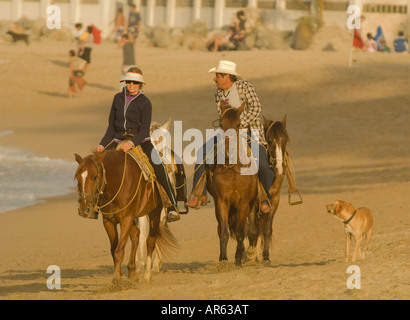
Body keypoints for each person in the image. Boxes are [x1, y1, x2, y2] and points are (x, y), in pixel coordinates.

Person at [185, 60, 274, 214]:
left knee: (263, 165)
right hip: (227, 133)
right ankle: (199, 194)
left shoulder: (244, 86)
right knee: (202, 152)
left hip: (250, 132)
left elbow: (256, 108)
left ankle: (266, 198)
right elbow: (222, 116)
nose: (214, 79)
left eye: (217, 76)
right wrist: (230, 127)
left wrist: (238, 124)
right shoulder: (218, 93)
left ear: (227, 76)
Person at [96, 67, 180, 222]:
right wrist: (102, 145)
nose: (131, 85)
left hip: (141, 140)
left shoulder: (145, 103)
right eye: (128, 82)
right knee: (96, 164)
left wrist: (131, 143)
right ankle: (95, 206)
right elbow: (111, 127)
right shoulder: (117, 99)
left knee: (159, 167)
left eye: (135, 82)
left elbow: (144, 131)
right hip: (117, 140)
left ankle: (172, 207)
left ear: (141, 84)